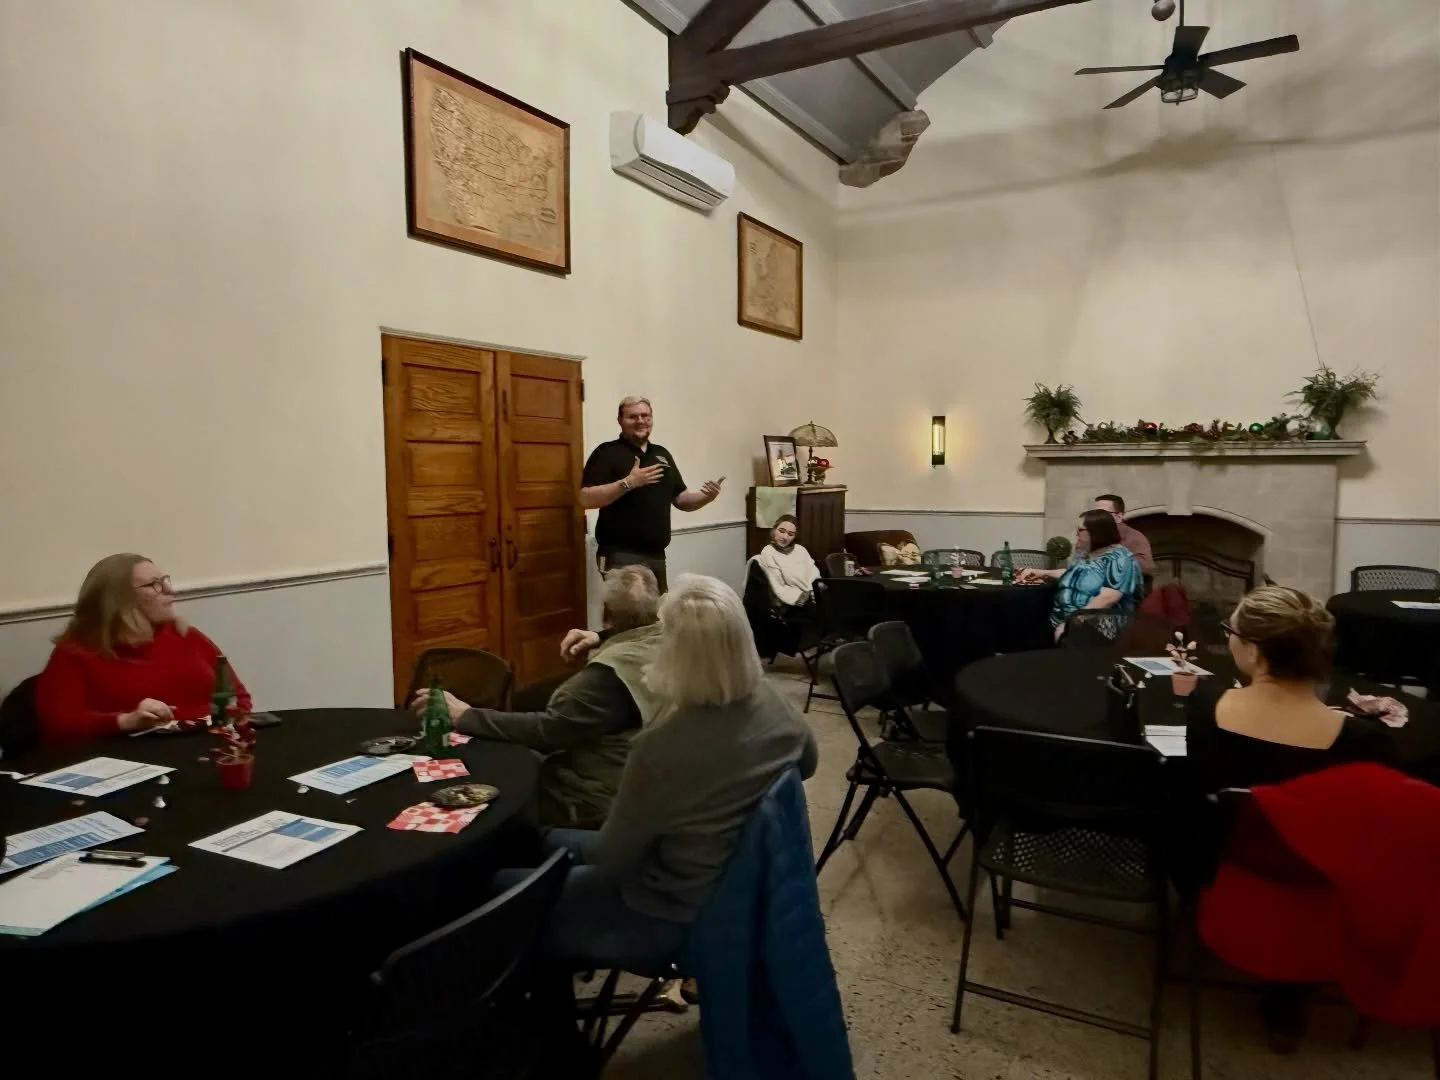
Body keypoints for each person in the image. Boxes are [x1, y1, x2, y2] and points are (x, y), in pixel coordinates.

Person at [507, 574, 818, 973]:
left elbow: (612, 858)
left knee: (496, 891)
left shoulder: (661, 748)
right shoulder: (775, 707)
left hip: (667, 913)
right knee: (540, 844)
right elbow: (806, 765)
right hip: (742, 895)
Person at [1183, 585, 1398, 1052]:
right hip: (1319, 881)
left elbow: (1194, 799)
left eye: (1231, 632)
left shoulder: (1206, 707)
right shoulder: (1364, 739)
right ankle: (1286, 1005)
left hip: (1225, 868)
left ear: (1256, 651)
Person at [415, 566, 663, 828]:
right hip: (652, 784)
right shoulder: (677, 641)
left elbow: (547, 730)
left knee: (500, 775)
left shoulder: (602, 678)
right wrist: (600, 637)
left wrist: (465, 716)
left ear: (605, 612)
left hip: (596, 799)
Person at [36, 554, 251, 744]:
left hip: (208, 747)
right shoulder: (75, 651)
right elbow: (60, 725)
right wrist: (126, 721)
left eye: (165, 580)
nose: (169, 589)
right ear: (119, 601)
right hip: (125, 759)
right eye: (153, 585)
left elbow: (239, 697)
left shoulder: (187, 636)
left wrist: (197, 721)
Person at [579, 396, 724, 592]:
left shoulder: (662, 454)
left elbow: (680, 499)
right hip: (620, 556)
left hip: (657, 555)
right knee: (628, 618)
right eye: (632, 416)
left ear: (651, 419)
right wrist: (629, 482)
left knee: (656, 615)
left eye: (645, 415)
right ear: (620, 420)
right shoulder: (607, 453)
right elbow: (585, 498)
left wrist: (706, 497)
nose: (640, 421)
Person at [1019, 509, 1143, 638]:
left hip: (1097, 627)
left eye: (1080, 530)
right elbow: (1075, 574)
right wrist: (1040, 572)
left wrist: (1072, 622)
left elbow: (1108, 598)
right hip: (1061, 620)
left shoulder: (1119, 558)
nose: (1076, 534)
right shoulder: (1085, 552)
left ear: (1096, 532)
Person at [753, 514, 819, 612]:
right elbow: (778, 587)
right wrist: (802, 598)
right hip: (790, 604)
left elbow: (814, 573)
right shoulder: (768, 552)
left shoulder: (800, 550)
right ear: (774, 530)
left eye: (790, 534)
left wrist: (815, 592)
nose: (785, 537)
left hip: (811, 596)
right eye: (781, 531)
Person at [1088, 494, 1155, 573]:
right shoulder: (1091, 537)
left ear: (1119, 517)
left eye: (1102, 513)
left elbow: (1146, 570)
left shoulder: (1135, 539)